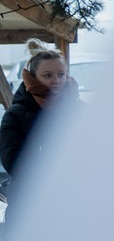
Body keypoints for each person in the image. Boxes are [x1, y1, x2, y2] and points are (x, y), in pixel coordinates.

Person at [2, 47, 73, 181]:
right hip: (34, 189)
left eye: (61, 74)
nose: (56, 80)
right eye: (47, 75)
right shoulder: (16, 115)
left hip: (77, 186)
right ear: (33, 78)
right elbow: (13, 162)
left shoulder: (79, 109)